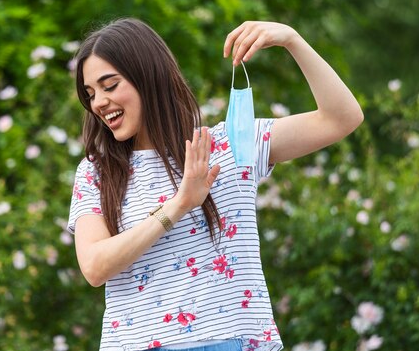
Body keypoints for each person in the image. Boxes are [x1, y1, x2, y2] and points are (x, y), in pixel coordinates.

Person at [67, 18, 363, 351]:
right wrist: (179, 204)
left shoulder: (230, 144)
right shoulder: (98, 172)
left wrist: (293, 40)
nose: (98, 103)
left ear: (147, 76)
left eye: (110, 85)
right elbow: (94, 267)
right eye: (91, 94)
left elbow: (342, 119)